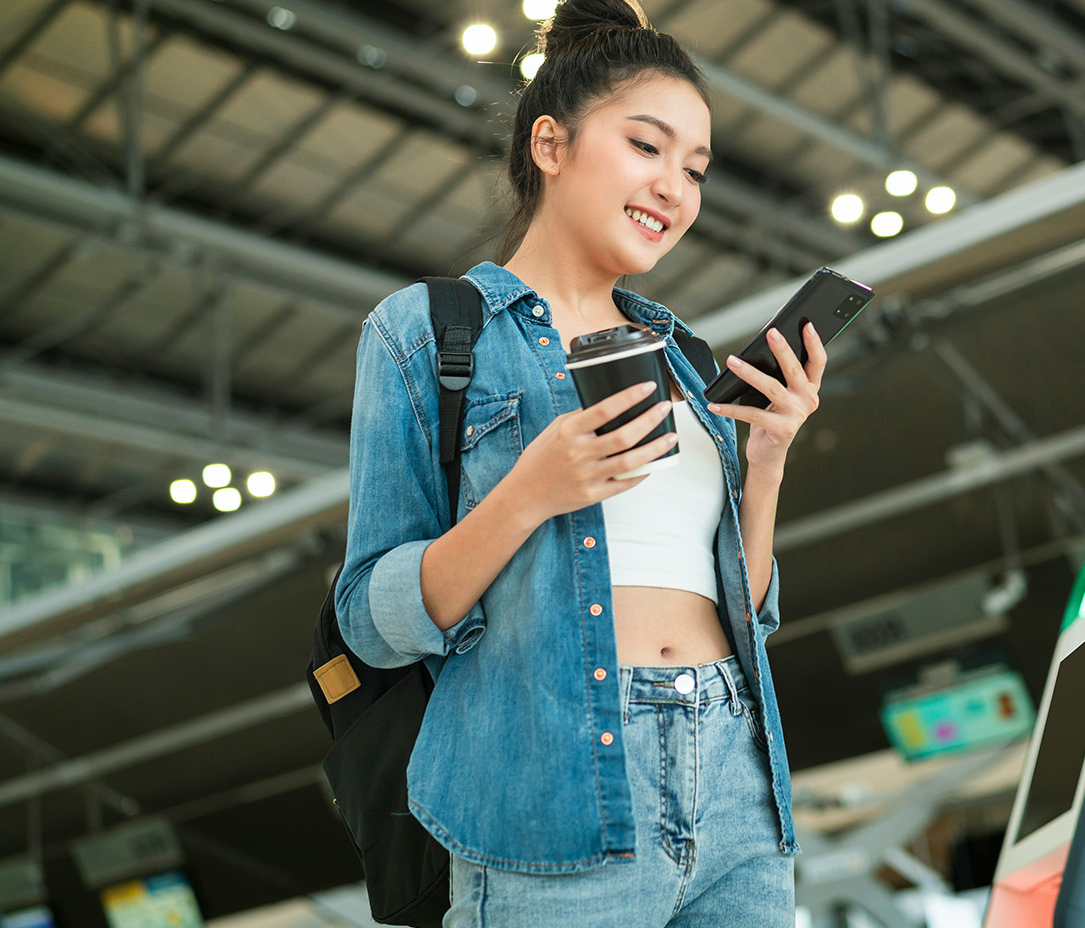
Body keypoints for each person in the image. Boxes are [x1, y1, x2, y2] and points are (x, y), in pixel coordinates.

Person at [331, 0, 824, 923]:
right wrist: (529, 495)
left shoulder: (686, 360)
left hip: (736, 782)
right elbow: (369, 617)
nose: (676, 187)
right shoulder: (431, 332)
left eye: (696, 168)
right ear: (550, 145)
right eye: (647, 146)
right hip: (552, 792)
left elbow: (748, 611)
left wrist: (766, 462)